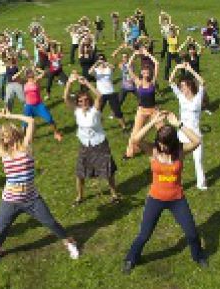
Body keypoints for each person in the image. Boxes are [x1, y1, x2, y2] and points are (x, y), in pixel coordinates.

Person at [0, 110, 79, 266]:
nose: (6, 138)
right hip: (10, 200)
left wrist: (10, 116)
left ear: (14, 133)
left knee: (50, 222)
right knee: (1, 229)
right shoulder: (3, 152)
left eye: (8, 134)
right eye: (3, 136)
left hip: (31, 198)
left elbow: (31, 121)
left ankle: (69, 241)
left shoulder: (26, 146)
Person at [122, 110, 208, 274]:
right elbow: (135, 139)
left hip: (177, 199)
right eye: (160, 142)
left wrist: (179, 124)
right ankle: (130, 258)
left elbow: (197, 140)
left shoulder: (180, 151)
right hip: (155, 198)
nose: (162, 146)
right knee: (144, 234)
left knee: (191, 233)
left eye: (165, 144)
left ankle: (198, 256)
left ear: (173, 142)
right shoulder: (152, 150)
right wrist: (152, 122)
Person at [63, 73, 120, 205]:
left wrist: (86, 83)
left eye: (86, 100)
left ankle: (114, 194)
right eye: (81, 101)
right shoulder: (77, 111)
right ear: (78, 102)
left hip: (99, 143)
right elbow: (65, 98)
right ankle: (79, 197)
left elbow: (99, 96)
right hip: (85, 144)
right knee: (80, 172)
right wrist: (69, 83)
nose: (84, 103)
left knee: (108, 171)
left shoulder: (95, 110)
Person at [169, 62, 207, 190]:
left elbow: (203, 82)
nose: (182, 89)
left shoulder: (198, 98)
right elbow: (170, 81)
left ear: (190, 86)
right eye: (181, 87)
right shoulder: (180, 97)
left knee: (198, 160)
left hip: (196, 133)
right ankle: (175, 182)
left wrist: (190, 69)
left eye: (184, 87)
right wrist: (176, 68)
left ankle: (201, 184)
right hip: (182, 133)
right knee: (178, 160)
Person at [124, 49, 159, 159]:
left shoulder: (153, 82)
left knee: (163, 130)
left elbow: (157, 64)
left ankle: (169, 149)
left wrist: (148, 54)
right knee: (135, 133)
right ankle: (129, 153)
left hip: (154, 110)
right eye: (144, 70)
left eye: (147, 70)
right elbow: (129, 66)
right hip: (142, 111)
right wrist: (135, 54)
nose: (146, 72)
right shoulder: (138, 82)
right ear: (141, 72)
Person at [18, 67, 63, 142]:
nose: (30, 77)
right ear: (26, 76)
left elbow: (45, 73)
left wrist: (35, 69)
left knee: (49, 119)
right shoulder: (24, 83)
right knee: (24, 124)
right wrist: (22, 70)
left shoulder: (36, 81)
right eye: (29, 76)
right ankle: (23, 139)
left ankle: (56, 133)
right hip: (29, 106)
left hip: (39, 105)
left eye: (31, 75)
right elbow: (14, 78)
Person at [89, 53, 127, 130]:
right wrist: (97, 63)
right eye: (99, 59)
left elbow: (113, 68)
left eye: (102, 58)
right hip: (100, 95)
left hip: (111, 93)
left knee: (117, 112)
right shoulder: (96, 71)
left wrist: (104, 63)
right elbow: (89, 72)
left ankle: (124, 127)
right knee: (97, 112)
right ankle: (96, 127)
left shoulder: (108, 68)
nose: (101, 60)